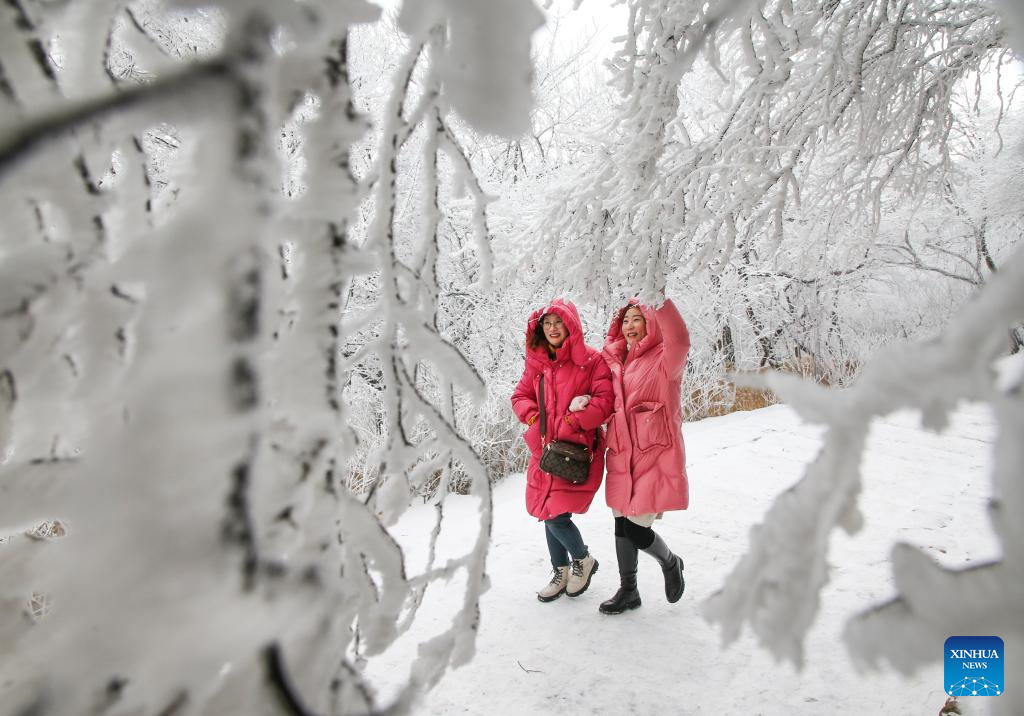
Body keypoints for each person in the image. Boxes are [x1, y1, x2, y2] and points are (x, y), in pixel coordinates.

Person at [511, 299, 614, 602]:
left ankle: (583, 559)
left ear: (571, 325)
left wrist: (569, 421)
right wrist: (534, 418)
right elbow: (520, 395)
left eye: (559, 322)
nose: (553, 328)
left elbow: (603, 402)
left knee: (556, 516)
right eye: (547, 324)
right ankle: (561, 571)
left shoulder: (591, 361)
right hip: (544, 451)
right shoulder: (538, 364)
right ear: (540, 329)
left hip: (575, 450)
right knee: (548, 512)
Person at [598, 297, 690, 614]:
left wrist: (659, 298)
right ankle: (629, 591)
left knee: (638, 530)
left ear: (650, 322)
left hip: (653, 456)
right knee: (622, 525)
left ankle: (670, 562)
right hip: (622, 456)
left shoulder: (665, 358)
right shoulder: (613, 362)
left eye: (638, 319)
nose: (630, 326)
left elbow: (680, 338)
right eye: (625, 321)